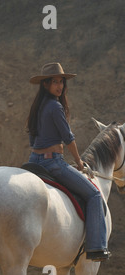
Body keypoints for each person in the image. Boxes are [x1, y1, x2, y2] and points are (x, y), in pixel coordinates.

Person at [27, 62, 110, 262]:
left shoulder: (38, 106)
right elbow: (68, 138)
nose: (59, 86)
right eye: (54, 82)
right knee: (94, 194)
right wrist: (79, 163)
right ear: (45, 84)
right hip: (53, 163)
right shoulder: (55, 107)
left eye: (61, 82)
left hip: (33, 161)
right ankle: (96, 247)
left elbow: (32, 136)